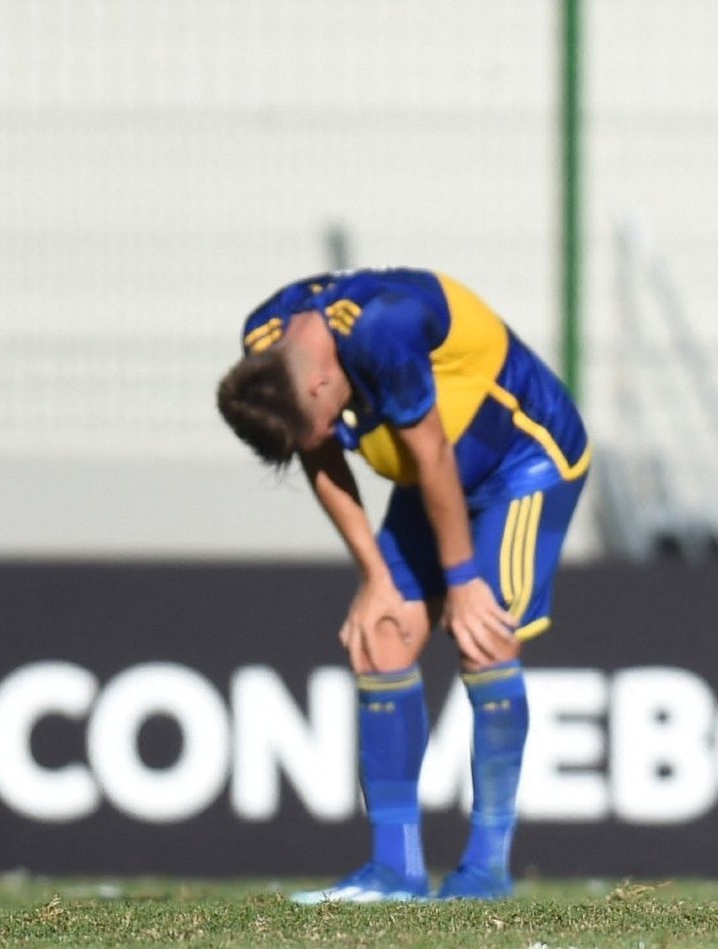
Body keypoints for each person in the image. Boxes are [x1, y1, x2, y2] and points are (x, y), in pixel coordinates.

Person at [216, 267, 588, 903]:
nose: (333, 436)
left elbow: (435, 452)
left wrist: (464, 580)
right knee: (379, 637)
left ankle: (486, 870)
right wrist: (374, 578)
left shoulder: (383, 331)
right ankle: (396, 873)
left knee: (484, 639)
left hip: (523, 464)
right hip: (431, 475)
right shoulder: (270, 341)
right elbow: (322, 457)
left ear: (320, 381)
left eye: (322, 422)